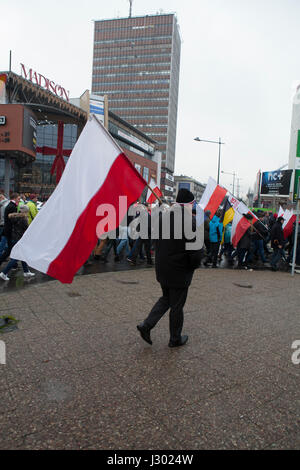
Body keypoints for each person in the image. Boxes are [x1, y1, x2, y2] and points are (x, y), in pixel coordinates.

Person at [137, 188, 202, 348]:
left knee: (166, 298)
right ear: (188, 204)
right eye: (192, 204)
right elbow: (196, 251)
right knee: (177, 306)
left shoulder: (163, 217)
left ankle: (146, 325)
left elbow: (156, 242)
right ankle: (175, 339)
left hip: (163, 268)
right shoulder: (189, 221)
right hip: (179, 271)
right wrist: (192, 266)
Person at [0, 205, 35, 281]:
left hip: (14, 238)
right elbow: (27, 229)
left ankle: (26, 271)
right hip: (19, 239)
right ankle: (4, 273)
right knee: (17, 257)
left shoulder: (15, 217)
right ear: (25, 211)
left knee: (22, 255)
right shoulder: (23, 219)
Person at [0, 193, 20, 267]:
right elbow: (13, 220)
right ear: (14, 198)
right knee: (9, 249)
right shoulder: (12, 206)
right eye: (18, 198)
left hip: (8, 230)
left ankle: (14, 265)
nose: (19, 200)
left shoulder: (10, 205)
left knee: (10, 248)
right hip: (9, 230)